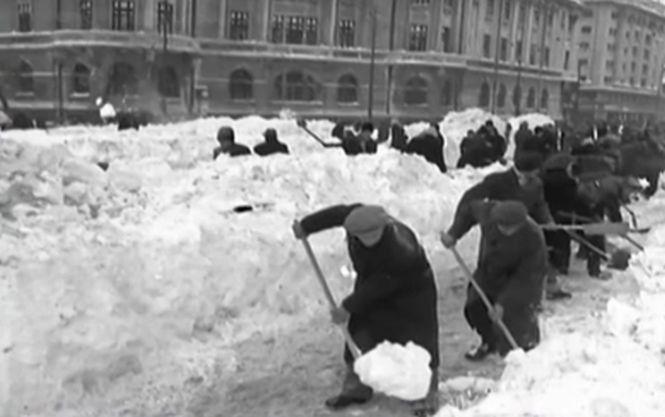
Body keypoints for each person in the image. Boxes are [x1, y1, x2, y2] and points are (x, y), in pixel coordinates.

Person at [292, 204, 439, 415]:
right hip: (371, 281)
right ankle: (357, 387)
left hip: (412, 291)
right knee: (360, 329)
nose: (368, 239)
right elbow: (335, 214)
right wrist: (306, 226)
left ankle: (425, 393)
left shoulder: (402, 247)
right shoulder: (355, 217)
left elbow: (382, 283)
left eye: (372, 235)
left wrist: (348, 306)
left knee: (417, 339)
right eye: (362, 236)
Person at [442, 151, 572, 300]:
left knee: (531, 264)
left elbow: (539, 205)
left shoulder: (536, 184)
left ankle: (532, 296)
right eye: (534, 171)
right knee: (491, 269)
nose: (536, 174)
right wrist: (454, 233)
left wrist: (547, 220)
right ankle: (480, 300)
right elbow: (470, 204)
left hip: (524, 233)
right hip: (496, 235)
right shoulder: (497, 181)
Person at [441, 200, 547, 359]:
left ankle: (524, 351)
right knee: (476, 307)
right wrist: (454, 233)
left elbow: (526, 277)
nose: (506, 230)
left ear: (520, 224)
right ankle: (489, 342)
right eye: (502, 226)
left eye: (511, 227)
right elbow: (469, 209)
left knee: (516, 317)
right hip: (489, 272)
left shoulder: (533, 237)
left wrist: (503, 303)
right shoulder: (487, 214)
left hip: (522, 281)